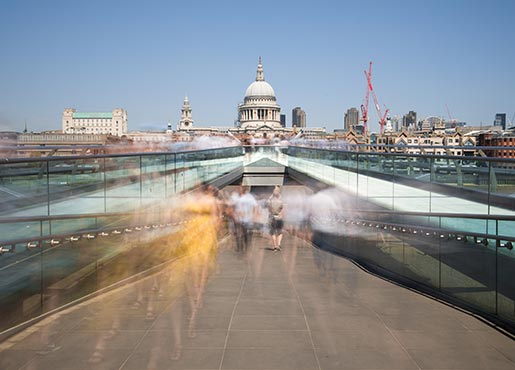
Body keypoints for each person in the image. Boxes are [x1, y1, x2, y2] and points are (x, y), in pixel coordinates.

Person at [233, 185, 258, 253]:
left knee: (246, 235)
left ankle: (246, 247)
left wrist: (254, 216)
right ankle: (240, 248)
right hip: (238, 219)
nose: (238, 189)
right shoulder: (236, 196)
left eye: (240, 188)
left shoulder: (249, 197)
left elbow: (255, 206)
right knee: (238, 234)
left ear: (243, 189)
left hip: (247, 219)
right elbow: (233, 206)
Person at [267, 186, 284, 251]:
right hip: (279, 217)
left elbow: (269, 209)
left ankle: (275, 246)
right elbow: (283, 208)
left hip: (272, 217)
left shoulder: (270, 200)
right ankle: (278, 244)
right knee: (280, 231)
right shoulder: (281, 200)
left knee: (272, 232)